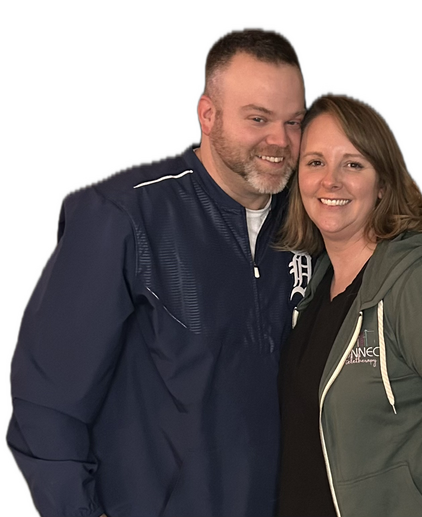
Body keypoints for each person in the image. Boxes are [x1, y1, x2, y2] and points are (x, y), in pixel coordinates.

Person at [5, 28, 311, 517]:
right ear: (207, 115)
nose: (280, 141)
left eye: (293, 122)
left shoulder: (311, 224)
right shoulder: (123, 217)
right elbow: (47, 403)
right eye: (258, 118)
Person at [277, 93, 422, 517]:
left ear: (382, 184)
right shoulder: (313, 289)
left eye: (353, 164)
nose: (330, 181)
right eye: (315, 162)